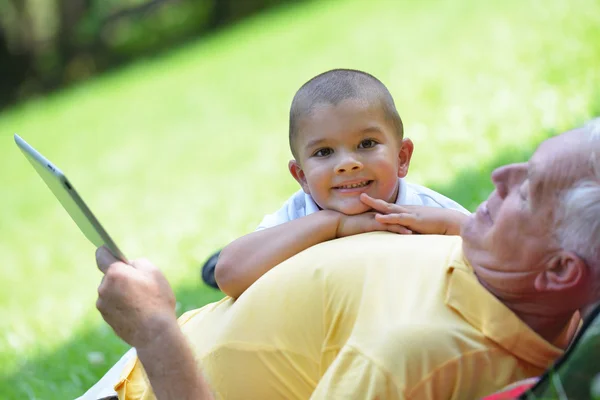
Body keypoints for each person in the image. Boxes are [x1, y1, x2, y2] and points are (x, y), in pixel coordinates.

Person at [94, 118, 600, 399]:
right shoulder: (493, 262)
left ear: (559, 271)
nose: (500, 177)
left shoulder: (408, 360)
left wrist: (155, 333)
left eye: (529, 191)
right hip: (148, 365)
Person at [211, 69, 468, 298]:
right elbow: (230, 274)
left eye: (366, 144)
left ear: (401, 157)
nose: (347, 163)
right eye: (324, 152)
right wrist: (334, 224)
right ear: (302, 177)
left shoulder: (425, 211)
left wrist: (449, 224)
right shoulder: (297, 216)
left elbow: (494, 247)